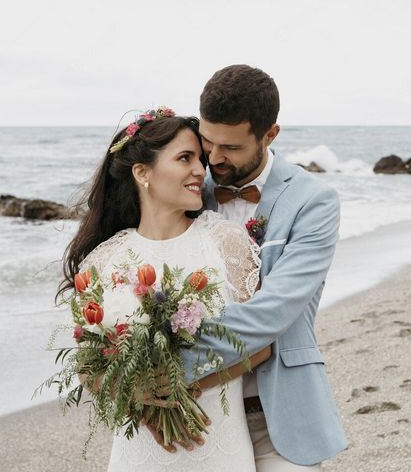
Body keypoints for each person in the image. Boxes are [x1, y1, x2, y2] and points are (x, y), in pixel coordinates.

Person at [59, 108, 265, 471]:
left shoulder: (227, 243)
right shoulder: (104, 260)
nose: (200, 170)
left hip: (218, 446)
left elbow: (260, 345)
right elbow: (87, 367)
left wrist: (180, 388)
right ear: (142, 173)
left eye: (200, 160)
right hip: (140, 450)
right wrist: (138, 397)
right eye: (185, 158)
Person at [183, 64, 348, 470]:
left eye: (232, 148)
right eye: (207, 141)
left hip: (276, 416)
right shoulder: (186, 190)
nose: (214, 157)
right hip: (195, 414)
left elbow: (274, 310)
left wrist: (171, 365)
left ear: (270, 134)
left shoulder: (314, 201)